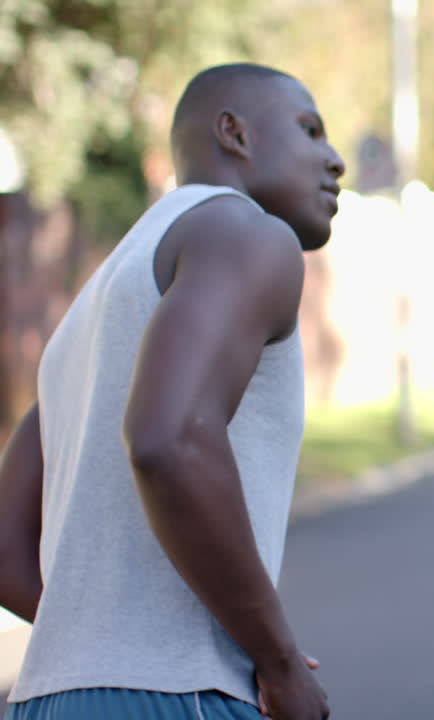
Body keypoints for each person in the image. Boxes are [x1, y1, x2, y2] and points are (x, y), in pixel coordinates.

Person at [0, 62, 345, 719]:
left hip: (46, 699)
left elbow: (4, 547)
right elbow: (170, 440)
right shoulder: (248, 235)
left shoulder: (97, 303)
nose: (335, 161)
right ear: (233, 133)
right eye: (309, 130)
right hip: (178, 700)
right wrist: (277, 664)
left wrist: (127, 644)